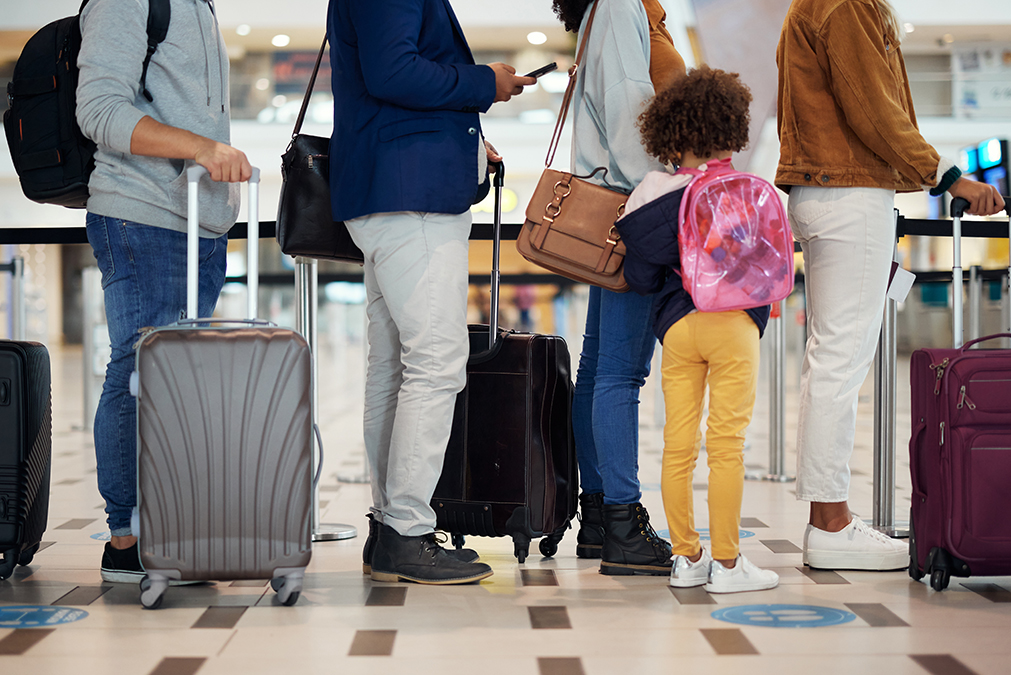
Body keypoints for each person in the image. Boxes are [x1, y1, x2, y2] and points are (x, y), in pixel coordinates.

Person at [776, 0, 1003, 570]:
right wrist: (947, 176)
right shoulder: (847, 3)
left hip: (826, 190)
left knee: (829, 358)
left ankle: (827, 517)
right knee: (840, 360)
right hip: (848, 193)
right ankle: (830, 523)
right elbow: (873, 108)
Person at [328, 0, 533, 584]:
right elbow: (393, 72)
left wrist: (466, 142)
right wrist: (482, 83)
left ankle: (392, 526)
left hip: (393, 189)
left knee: (394, 366)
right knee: (437, 361)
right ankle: (406, 531)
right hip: (409, 195)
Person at [76, 0, 252, 583]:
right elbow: (98, 110)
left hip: (197, 220)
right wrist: (199, 149)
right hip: (142, 214)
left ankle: (168, 525)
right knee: (138, 368)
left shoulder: (195, 5)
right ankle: (126, 540)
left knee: (172, 380)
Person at [617, 66, 779, 593]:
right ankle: (729, 567)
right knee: (727, 445)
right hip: (734, 328)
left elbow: (639, 277)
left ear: (669, 133)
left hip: (680, 329)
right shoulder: (747, 190)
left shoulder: (653, 192)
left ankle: (687, 559)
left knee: (678, 444)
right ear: (730, 128)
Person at [549, 0, 685, 575]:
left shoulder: (615, 8)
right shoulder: (623, 5)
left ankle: (602, 516)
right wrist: (664, 198)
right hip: (637, 207)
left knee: (600, 366)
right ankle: (623, 522)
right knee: (620, 373)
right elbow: (633, 116)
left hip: (622, 203)